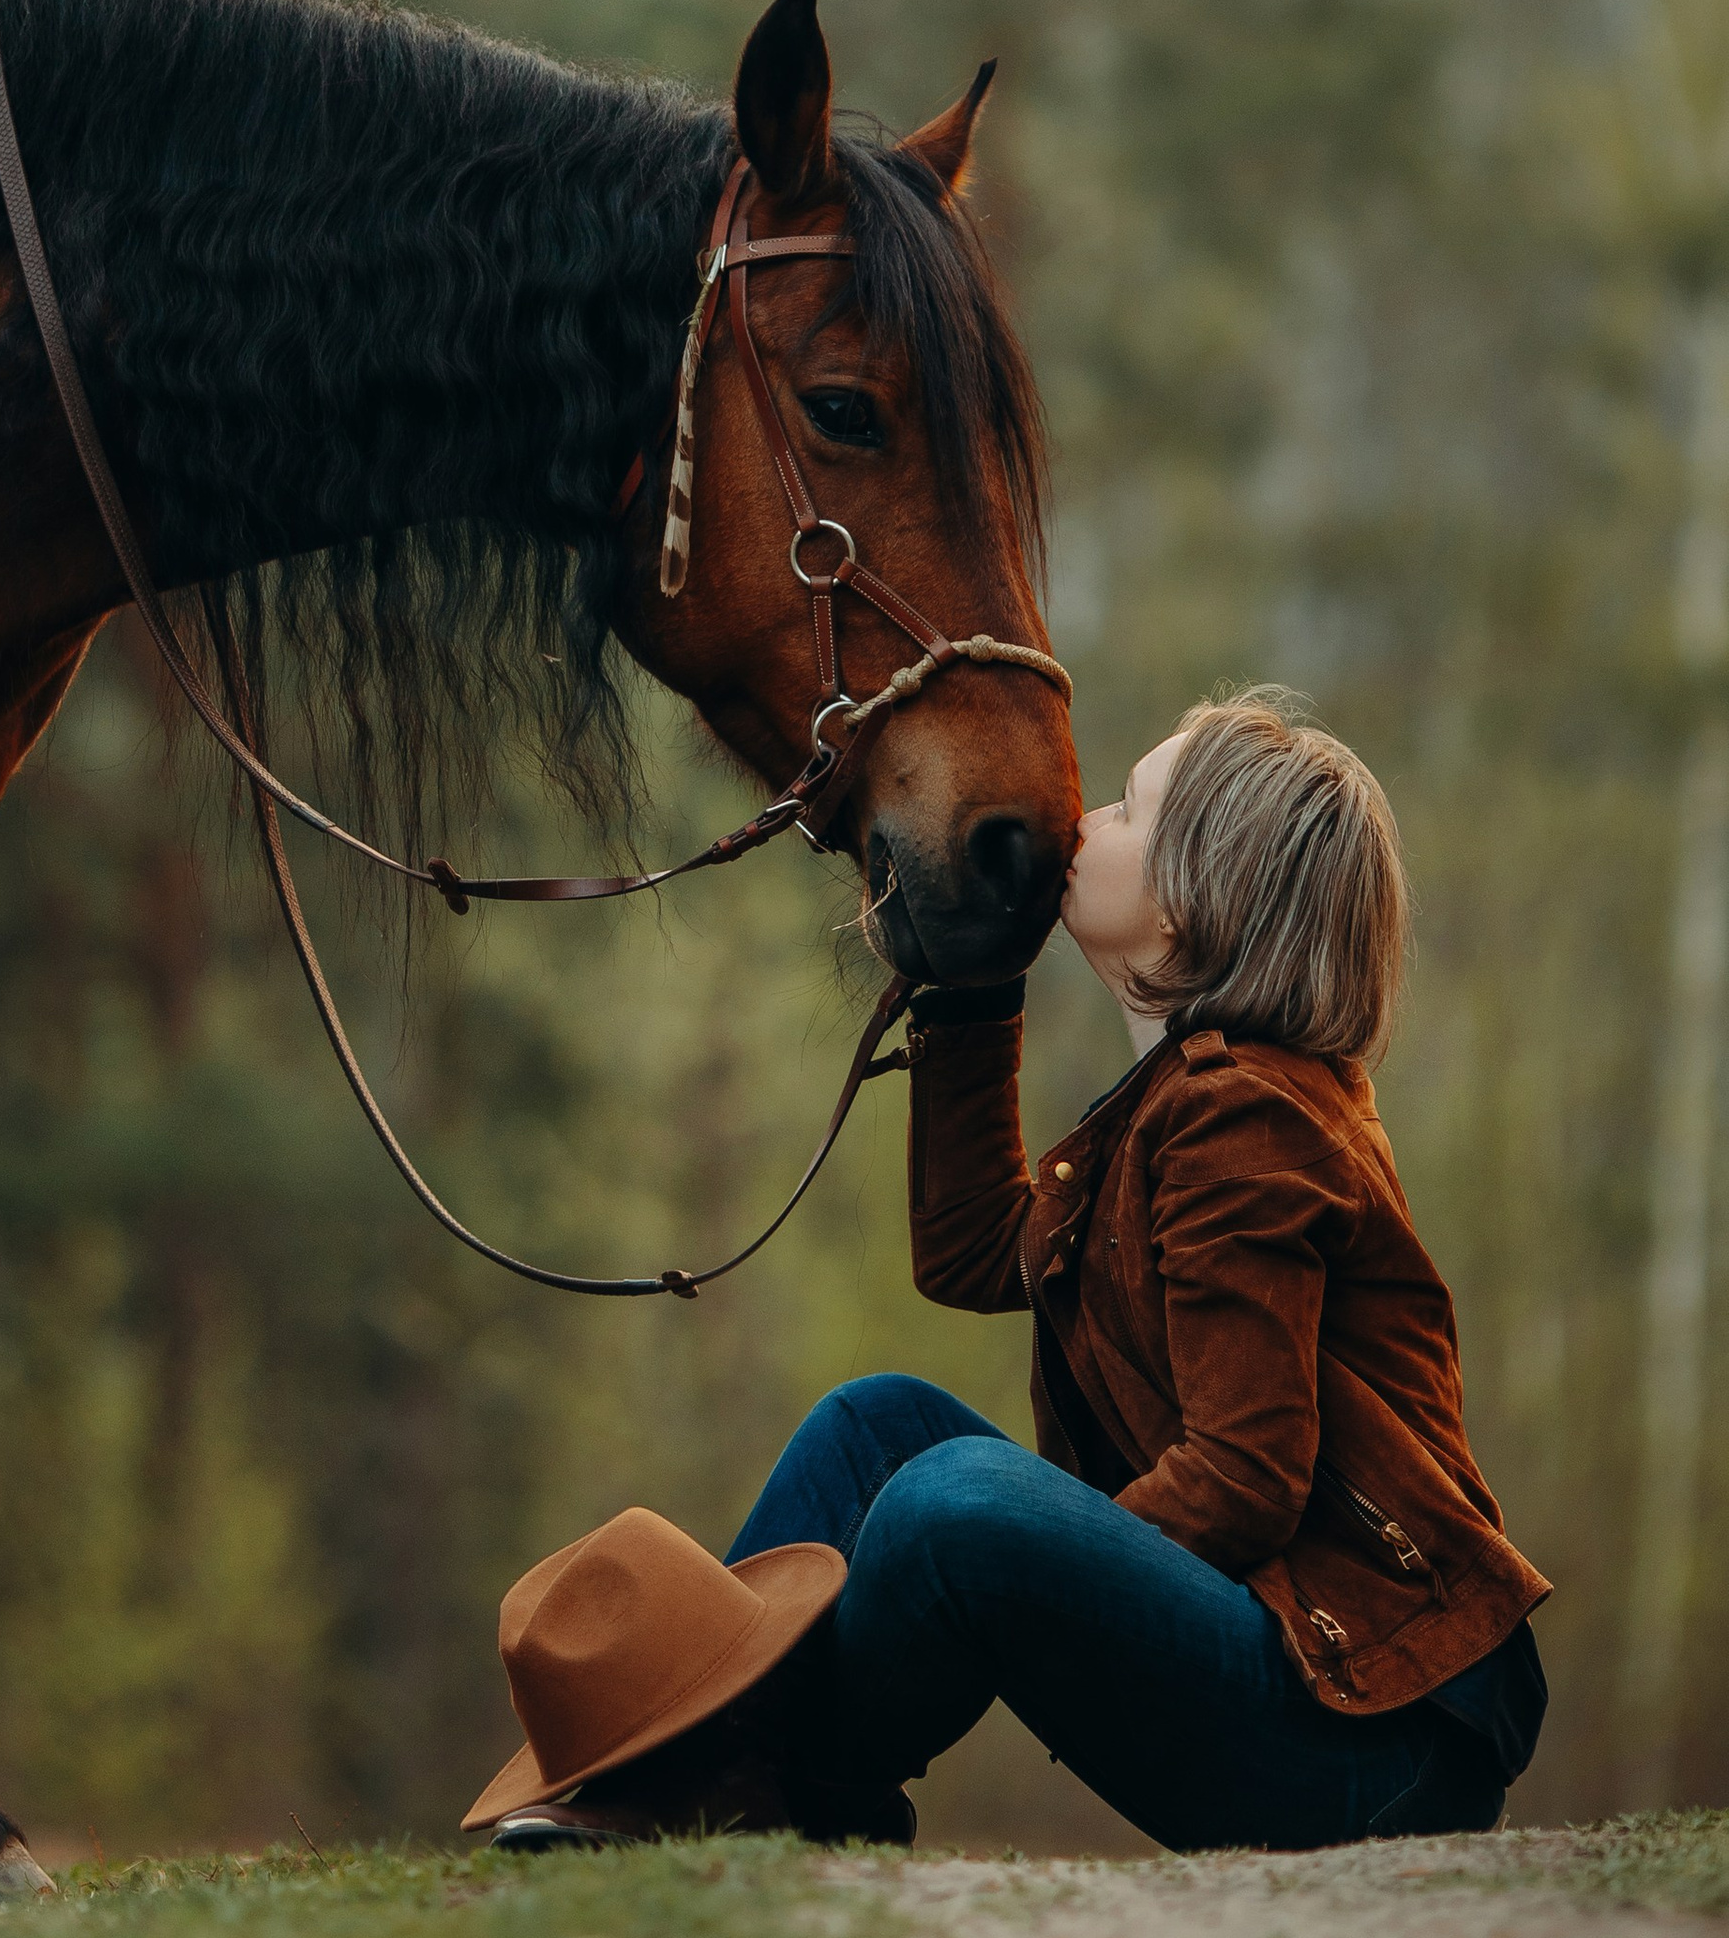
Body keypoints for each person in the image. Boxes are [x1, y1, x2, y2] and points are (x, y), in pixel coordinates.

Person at [468, 688, 1548, 1856]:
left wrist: (1044, 1560)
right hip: (1314, 1683)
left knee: (954, 1508)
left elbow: (1244, 1479)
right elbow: (981, 1249)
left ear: (1199, 897)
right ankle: (680, 1755)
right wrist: (970, 988)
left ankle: (734, 1786)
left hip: (1373, 1736)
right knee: (874, 1427)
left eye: (1128, 808)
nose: (1082, 820)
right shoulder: (1179, 1105)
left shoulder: (1249, 1120)